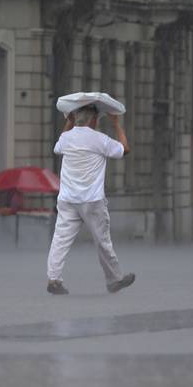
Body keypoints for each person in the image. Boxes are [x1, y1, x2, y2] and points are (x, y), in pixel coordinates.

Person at [46, 103, 135, 295]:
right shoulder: (99, 139)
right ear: (93, 120)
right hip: (91, 199)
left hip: (68, 198)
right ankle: (115, 280)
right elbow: (124, 150)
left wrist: (68, 123)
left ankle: (54, 279)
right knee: (102, 241)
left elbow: (57, 148)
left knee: (60, 239)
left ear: (76, 119)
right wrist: (116, 124)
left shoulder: (66, 137)